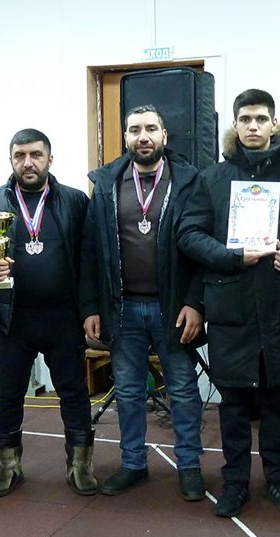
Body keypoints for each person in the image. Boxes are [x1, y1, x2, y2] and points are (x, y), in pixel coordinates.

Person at [178, 89, 280, 517]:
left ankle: (279, 480)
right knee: (233, 405)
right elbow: (190, 235)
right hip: (229, 305)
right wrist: (232, 256)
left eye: (260, 119)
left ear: (274, 123)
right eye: (245, 119)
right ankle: (234, 481)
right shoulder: (213, 178)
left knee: (276, 403)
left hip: (276, 305)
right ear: (234, 125)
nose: (253, 126)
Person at [81, 105, 207, 501]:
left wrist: (195, 302)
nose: (143, 136)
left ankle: (189, 465)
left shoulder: (188, 181)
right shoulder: (106, 184)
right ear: (126, 137)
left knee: (183, 390)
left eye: (151, 128)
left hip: (174, 308)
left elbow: (203, 249)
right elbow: (90, 251)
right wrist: (91, 306)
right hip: (123, 310)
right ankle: (133, 462)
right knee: (129, 391)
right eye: (135, 129)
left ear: (164, 135)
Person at [0, 128, 97, 497]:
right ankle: (7, 465)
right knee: (8, 391)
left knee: (73, 391)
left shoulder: (74, 201)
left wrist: (90, 309)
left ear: (50, 158)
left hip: (63, 316)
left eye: (36, 154)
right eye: (20, 155)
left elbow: (89, 258)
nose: (28, 162)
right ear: (11, 160)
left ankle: (80, 465)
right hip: (12, 317)